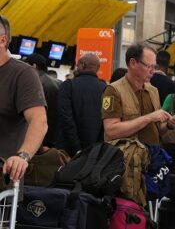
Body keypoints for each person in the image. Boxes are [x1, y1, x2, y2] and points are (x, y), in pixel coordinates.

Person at [102, 42, 175, 144]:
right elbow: (111, 131)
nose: (152, 71)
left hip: (151, 156)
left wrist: (169, 125)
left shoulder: (153, 91)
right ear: (133, 63)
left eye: (154, 67)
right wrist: (149, 118)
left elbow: (158, 130)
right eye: (149, 66)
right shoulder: (114, 90)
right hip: (126, 157)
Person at [0, 15, 47, 181]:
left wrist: (23, 156)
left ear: (2, 40)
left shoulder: (23, 75)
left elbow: (39, 121)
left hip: (4, 177)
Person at [57, 54, 107, 156]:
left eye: (77, 65)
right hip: (95, 152)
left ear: (83, 65)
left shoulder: (68, 86)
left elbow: (66, 118)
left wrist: (77, 148)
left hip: (68, 150)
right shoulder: (105, 89)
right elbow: (106, 121)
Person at [26, 53, 61, 147]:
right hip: (55, 135)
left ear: (33, 66)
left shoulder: (34, 83)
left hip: (37, 134)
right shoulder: (60, 83)